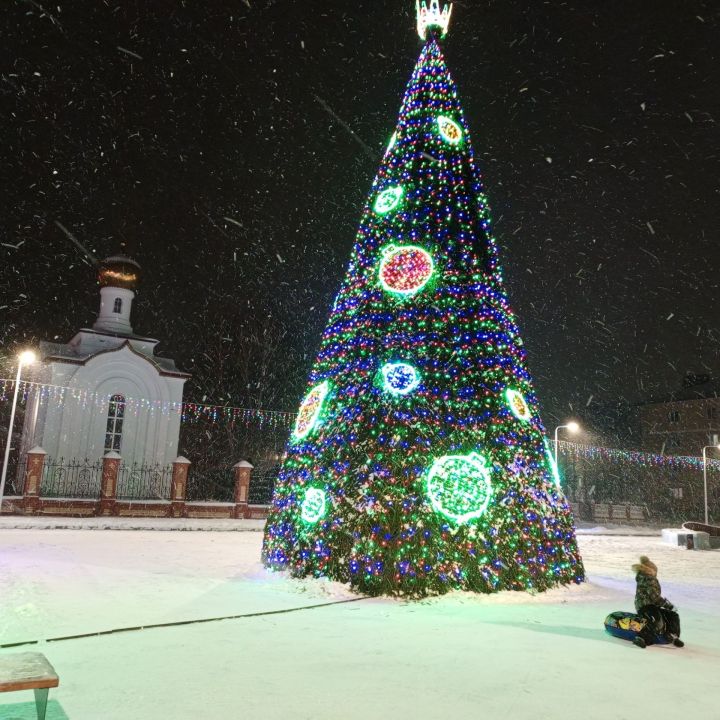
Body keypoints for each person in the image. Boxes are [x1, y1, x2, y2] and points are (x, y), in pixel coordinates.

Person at [632, 555, 684, 648]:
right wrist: (667, 605)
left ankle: (672, 635)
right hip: (644, 606)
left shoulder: (648, 578)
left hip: (652, 605)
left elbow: (654, 598)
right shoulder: (648, 579)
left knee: (672, 615)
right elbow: (654, 597)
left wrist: (666, 606)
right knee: (656, 619)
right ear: (651, 571)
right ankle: (641, 638)